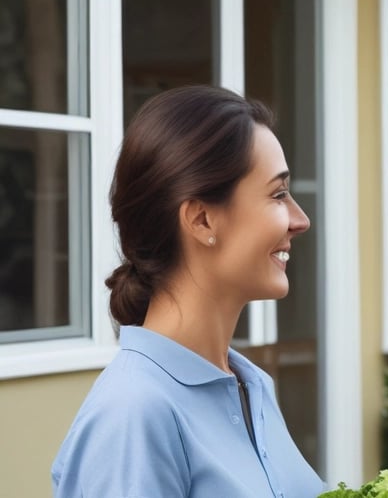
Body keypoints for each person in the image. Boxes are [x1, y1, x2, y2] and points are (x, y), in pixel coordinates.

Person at [51, 85, 325, 497]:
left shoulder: (252, 387)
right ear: (201, 220)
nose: (299, 220)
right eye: (278, 194)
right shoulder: (132, 414)